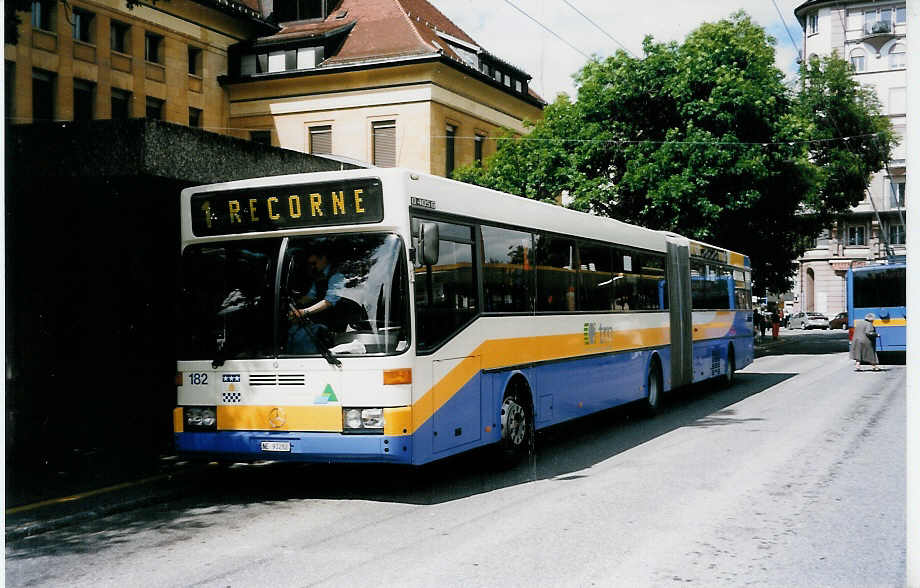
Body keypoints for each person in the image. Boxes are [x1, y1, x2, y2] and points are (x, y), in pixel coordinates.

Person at [287, 247, 346, 353]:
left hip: (333, 325)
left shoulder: (337, 276)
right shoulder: (319, 276)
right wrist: (294, 304)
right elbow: (311, 295)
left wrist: (304, 312)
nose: (312, 267)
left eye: (314, 263)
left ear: (323, 258)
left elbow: (329, 301)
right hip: (319, 321)